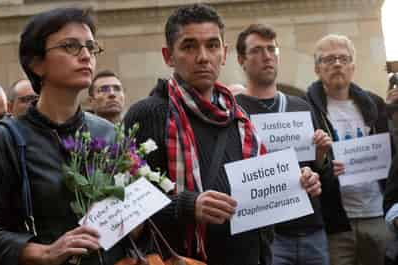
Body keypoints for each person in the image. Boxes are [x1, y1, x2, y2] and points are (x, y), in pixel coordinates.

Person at [124, 4, 322, 265]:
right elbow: (128, 205)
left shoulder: (240, 117)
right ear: (168, 56)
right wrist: (187, 206)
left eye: (212, 45)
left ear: (224, 53)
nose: (203, 57)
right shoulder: (148, 113)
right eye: (189, 46)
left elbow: (260, 187)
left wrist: (297, 183)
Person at [0, 7, 127, 265]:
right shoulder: (3, 141)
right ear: (36, 64)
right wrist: (46, 253)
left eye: (91, 47)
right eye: (71, 46)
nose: (86, 55)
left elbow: (125, 217)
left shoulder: (107, 133)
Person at [235, 23, 331, 265]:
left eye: (272, 49)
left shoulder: (302, 106)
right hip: (267, 235)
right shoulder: (233, 110)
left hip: (311, 229)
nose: (267, 56)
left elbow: (321, 172)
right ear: (241, 60)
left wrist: (320, 156)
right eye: (257, 50)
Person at [305, 34, 393, 265]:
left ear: (353, 66)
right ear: (317, 68)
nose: (336, 64)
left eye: (343, 58)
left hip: (378, 216)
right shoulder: (307, 109)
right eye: (328, 59)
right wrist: (322, 160)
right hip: (336, 224)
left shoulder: (375, 104)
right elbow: (306, 164)